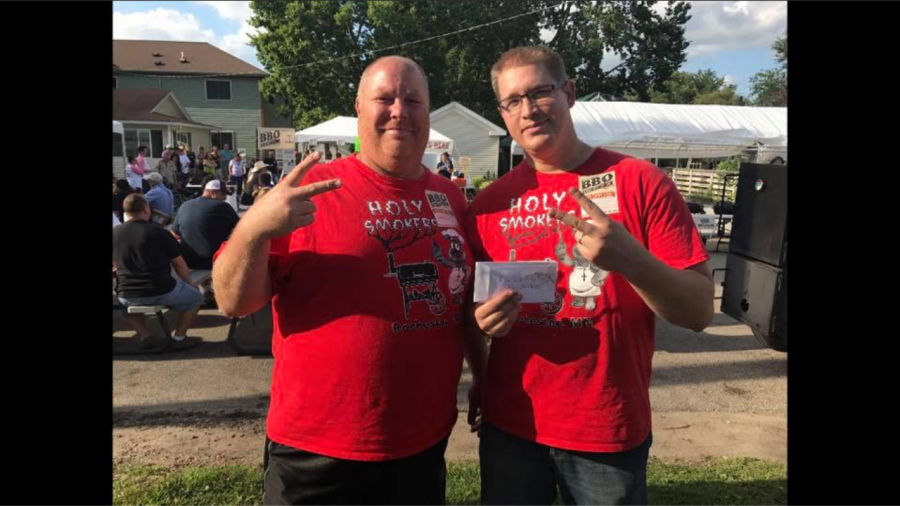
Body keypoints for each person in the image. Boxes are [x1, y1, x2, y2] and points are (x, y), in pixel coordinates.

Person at [213, 56, 480, 506]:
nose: (400, 110)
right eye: (385, 98)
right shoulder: (309, 189)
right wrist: (255, 227)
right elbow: (232, 302)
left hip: (421, 440)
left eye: (413, 100)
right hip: (317, 449)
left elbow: (463, 299)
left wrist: (485, 375)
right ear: (359, 106)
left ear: (428, 112)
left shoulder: (450, 196)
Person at [464, 46, 714, 506]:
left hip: (607, 431)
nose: (529, 110)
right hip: (511, 427)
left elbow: (699, 311)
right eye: (513, 101)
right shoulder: (487, 205)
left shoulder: (640, 182)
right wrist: (483, 328)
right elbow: (472, 310)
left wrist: (631, 260)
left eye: (541, 92)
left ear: (570, 93)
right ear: (502, 113)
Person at [113, 193, 202, 351]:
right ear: (146, 209)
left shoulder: (114, 233)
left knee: (124, 304)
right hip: (162, 290)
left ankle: (144, 336)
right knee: (196, 297)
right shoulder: (159, 232)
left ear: (124, 211)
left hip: (127, 294)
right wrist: (189, 282)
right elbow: (178, 264)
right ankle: (179, 338)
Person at [172, 176, 239, 270]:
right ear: (213, 193)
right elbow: (241, 229)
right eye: (222, 195)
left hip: (188, 261)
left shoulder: (185, 205)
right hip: (213, 261)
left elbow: (175, 233)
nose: (224, 198)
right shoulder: (222, 206)